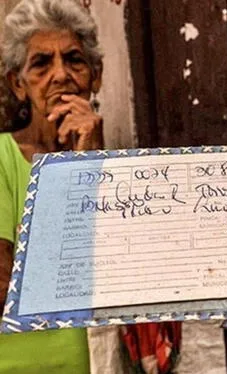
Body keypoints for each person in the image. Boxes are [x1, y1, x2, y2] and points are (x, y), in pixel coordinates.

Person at [0, 0, 104, 372]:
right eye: (41, 64)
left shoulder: (121, 167)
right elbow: (3, 290)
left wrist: (88, 159)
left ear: (96, 75)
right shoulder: (2, 158)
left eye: (74, 60)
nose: (60, 75)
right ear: (18, 83)